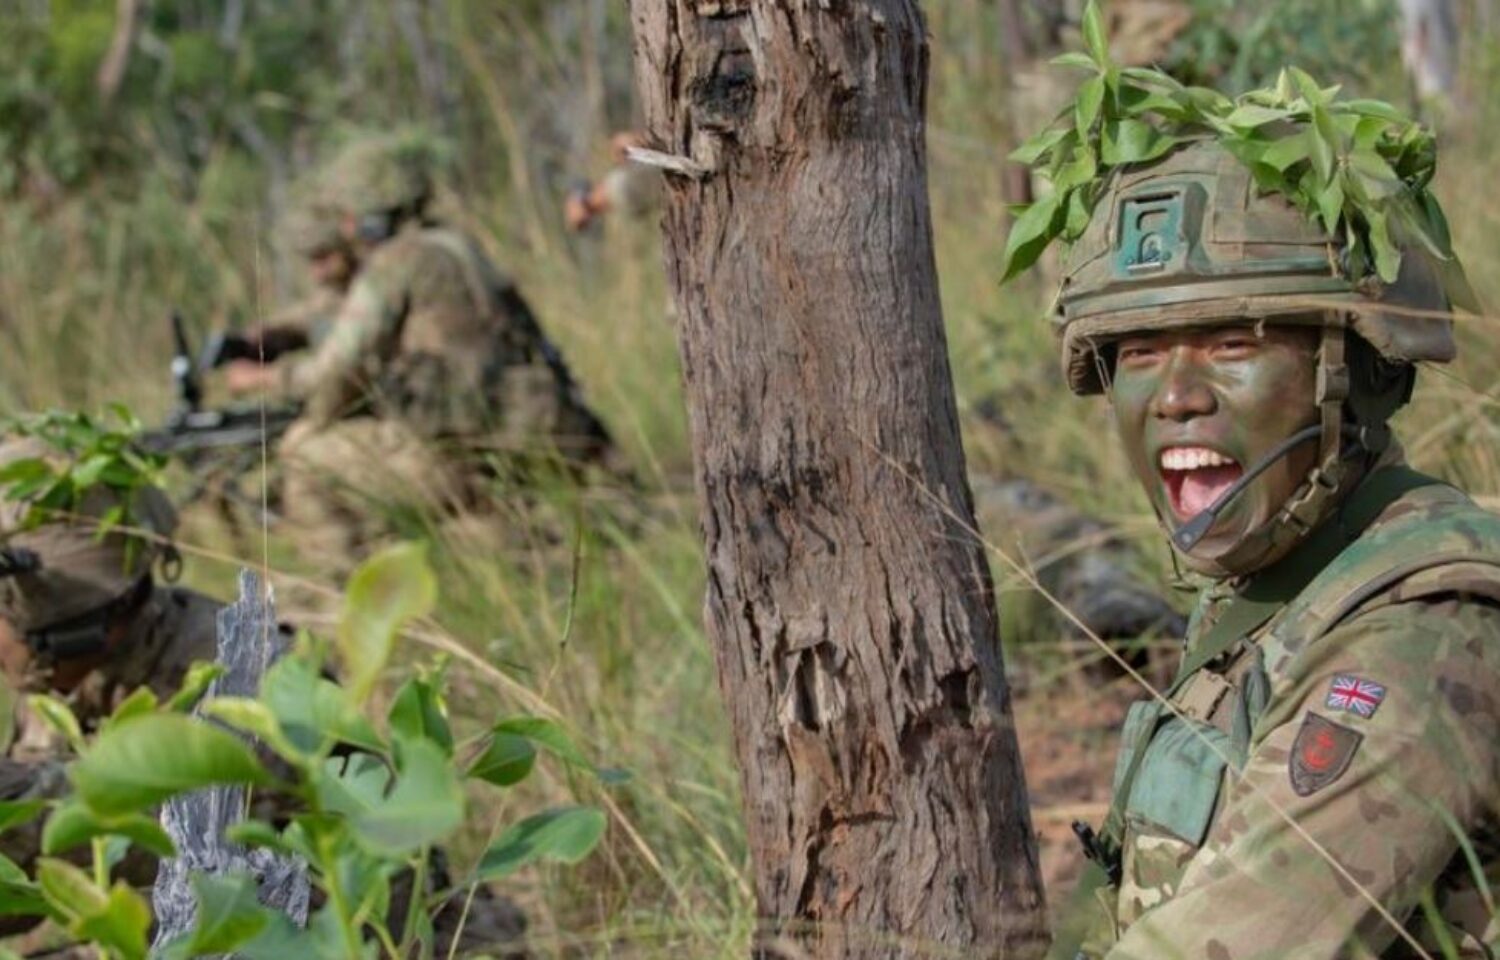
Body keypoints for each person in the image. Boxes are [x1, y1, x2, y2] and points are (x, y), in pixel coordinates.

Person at [1042, 136, 1500, 959]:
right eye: (1140, 353)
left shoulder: (1421, 634)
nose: (1176, 398)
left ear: (1365, 376)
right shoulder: (1279, 584)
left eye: (1234, 345)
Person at [227, 133, 617, 563]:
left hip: (459, 452)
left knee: (303, 454)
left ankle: (337, 590)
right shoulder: (455, 245)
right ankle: (497, 540)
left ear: (367, 216)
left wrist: (263, 380)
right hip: (538, 437)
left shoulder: (395, 263)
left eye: (348, 216)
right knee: (471, 529)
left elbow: (332, 370)